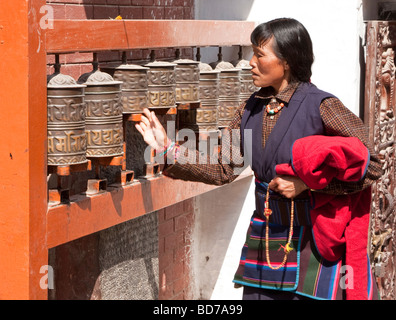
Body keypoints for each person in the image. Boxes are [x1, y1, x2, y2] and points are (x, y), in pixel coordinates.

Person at [135, 18, 383, 300]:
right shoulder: (250, 109)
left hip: (313, 241)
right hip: (266, 234)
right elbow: (223, 167)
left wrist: (308, 185)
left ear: (287, 61)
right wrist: (169, 149)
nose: (251, 62)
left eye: (260, 54)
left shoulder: (322, 106)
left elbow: (372, 165)